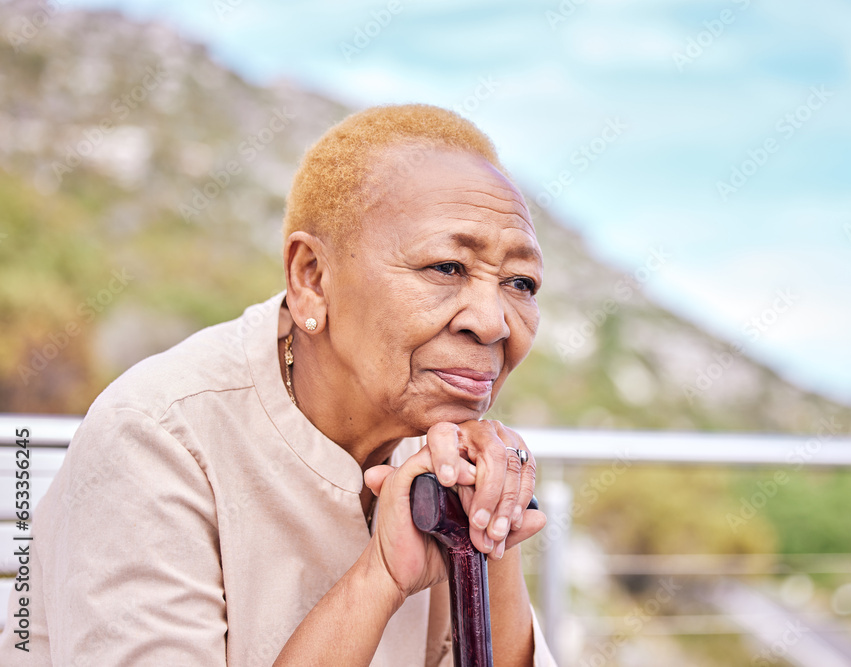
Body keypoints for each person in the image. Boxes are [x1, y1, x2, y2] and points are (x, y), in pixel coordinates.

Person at [0, 104, 556, 666]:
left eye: (520, 281)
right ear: (312, 279)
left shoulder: (436, 451)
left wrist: (489, 530)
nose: (492, 322)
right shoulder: (154, 437)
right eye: (446, 267)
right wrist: (379, 579)